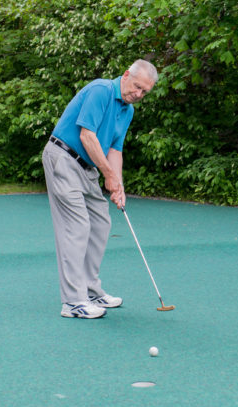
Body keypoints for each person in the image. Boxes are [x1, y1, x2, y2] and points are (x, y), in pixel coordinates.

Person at [42, 59, 158, 318]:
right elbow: (87, 135)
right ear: (126, 75)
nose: (138, 94)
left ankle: (90, 290)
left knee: (101, 223)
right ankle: (73, 302)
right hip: (63, 157)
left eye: (144, 92)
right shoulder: (100, 90)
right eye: (137, 87)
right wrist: (107, 174)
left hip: (88, 165)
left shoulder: (127, 111)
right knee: (77, 226)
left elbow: (115, 149)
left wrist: (118, 184)